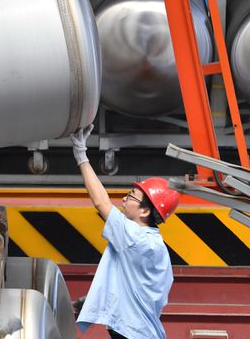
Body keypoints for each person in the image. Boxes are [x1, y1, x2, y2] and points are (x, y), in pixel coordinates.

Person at [69, 124, 180, 339]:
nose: (123, 199)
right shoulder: (156, 245)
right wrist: (95, 301)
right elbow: (136, 287)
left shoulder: (135, 238)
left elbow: (101, 202)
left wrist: (81, 154)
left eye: (130, 196)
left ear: (145, 211)